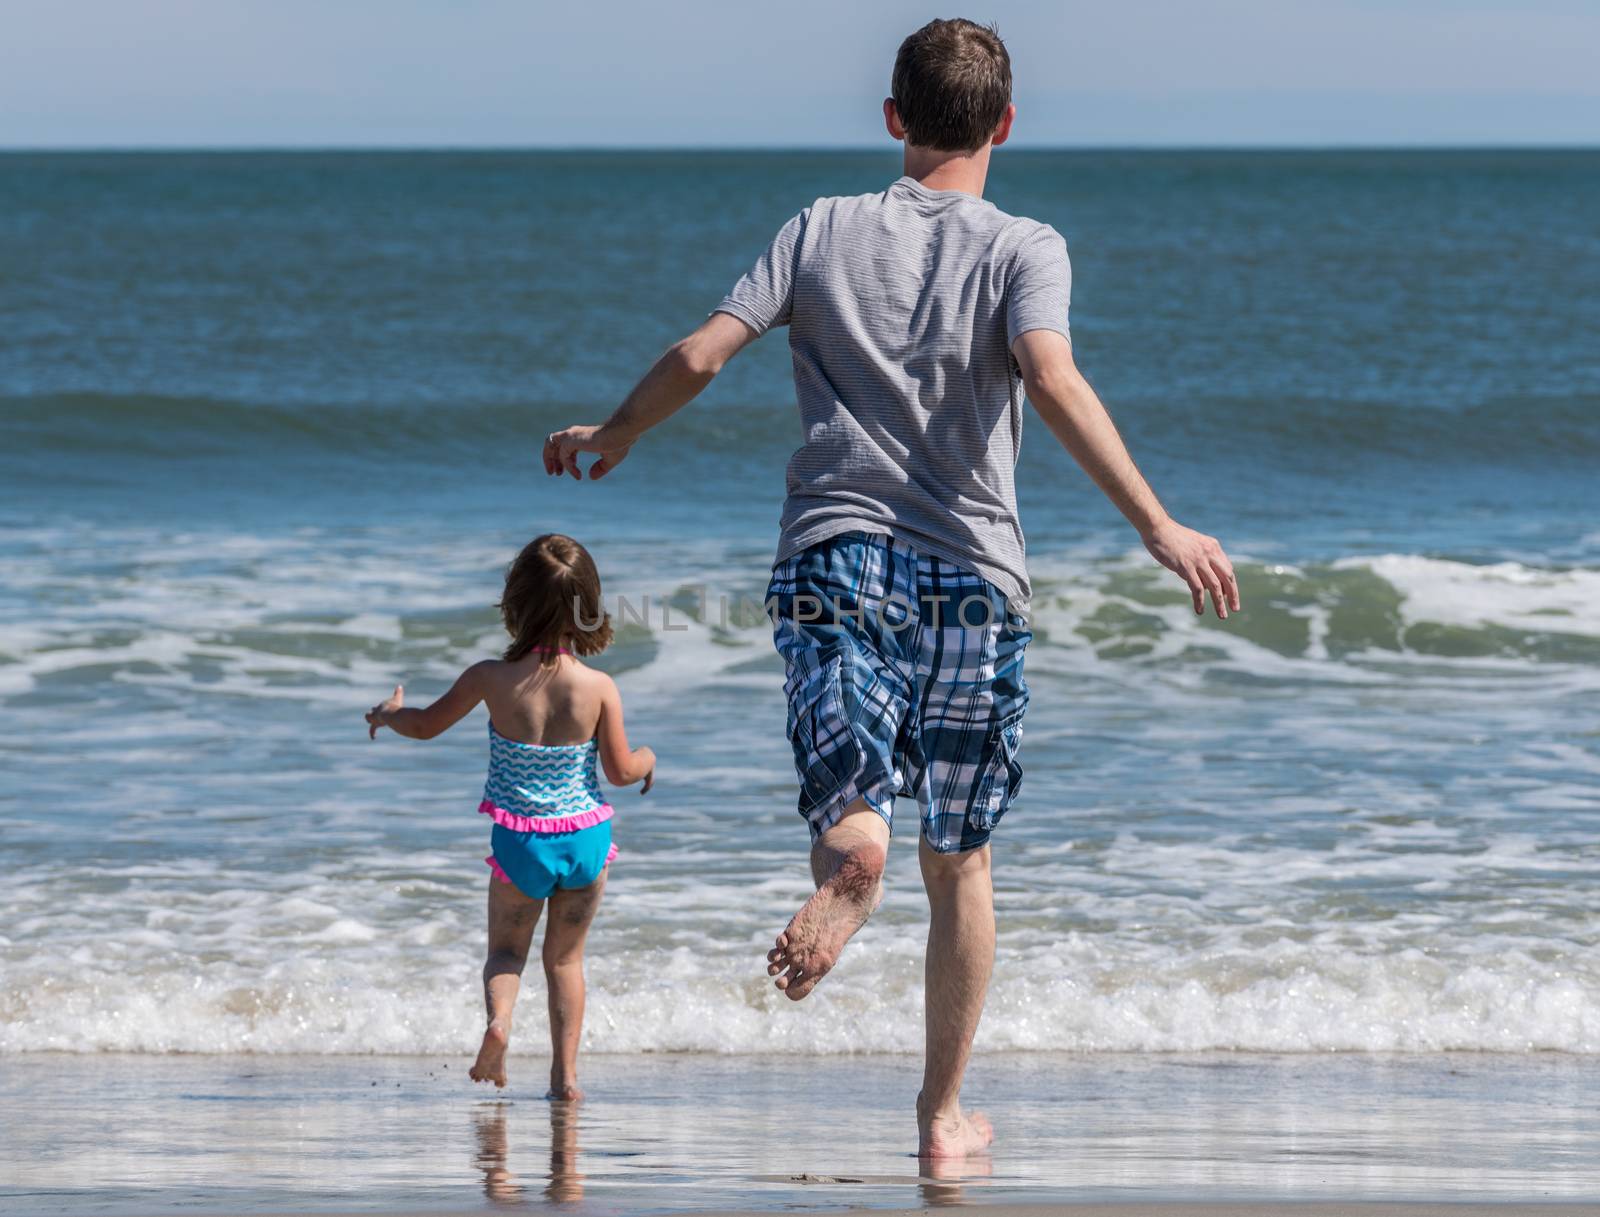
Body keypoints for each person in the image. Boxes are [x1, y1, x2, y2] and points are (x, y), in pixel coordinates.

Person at [541, 18, 1238, 1156]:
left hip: (834, 550)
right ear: (1005, 125)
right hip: (973, 572)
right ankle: (939, 1118)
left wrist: (619, 428)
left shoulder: (819, 229)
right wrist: (1156, 522)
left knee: (848, 790)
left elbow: (707, 350)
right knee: (959, 853)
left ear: (892, 119)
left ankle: (848, 856)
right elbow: (1051, 377)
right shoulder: (1027, 247)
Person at [365, 533, 654, 1098]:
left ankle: (499, 1025)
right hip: (587, 842)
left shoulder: (489, 679)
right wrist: (648, 761)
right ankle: (565, 1080)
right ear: (586, 604)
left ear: (515, 603)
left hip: (522, 844)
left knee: (506, 953)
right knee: (566, 962)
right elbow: (620, 771)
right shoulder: (598, 687)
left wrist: (391, 714)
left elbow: (425, 725)